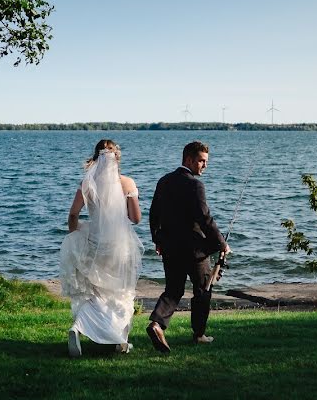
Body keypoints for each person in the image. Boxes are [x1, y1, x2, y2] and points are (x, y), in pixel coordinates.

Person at [59, 139, 143, 358]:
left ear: (96, 158)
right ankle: (121, 341)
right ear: (117, 158)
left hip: (94, 244)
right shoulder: (127, 183)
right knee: (121, 292)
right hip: (120, 246)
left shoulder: (88, 183)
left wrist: (74, 234)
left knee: (95, 293)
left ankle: (77, 328)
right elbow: (135, 218)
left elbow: (73, 215)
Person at [146, 140, 230, 353]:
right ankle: (199, 334)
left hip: (170, 247)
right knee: (203, 290)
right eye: (201, 161)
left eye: (206, 161)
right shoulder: (195, 185)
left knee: (173, 290)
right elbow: (204, 218)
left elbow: (154, 214)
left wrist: (158, 240)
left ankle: (156, 324)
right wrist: (222, 244)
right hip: (194, 251)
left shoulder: (164, 181)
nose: (205, 166)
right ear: (189, 159)